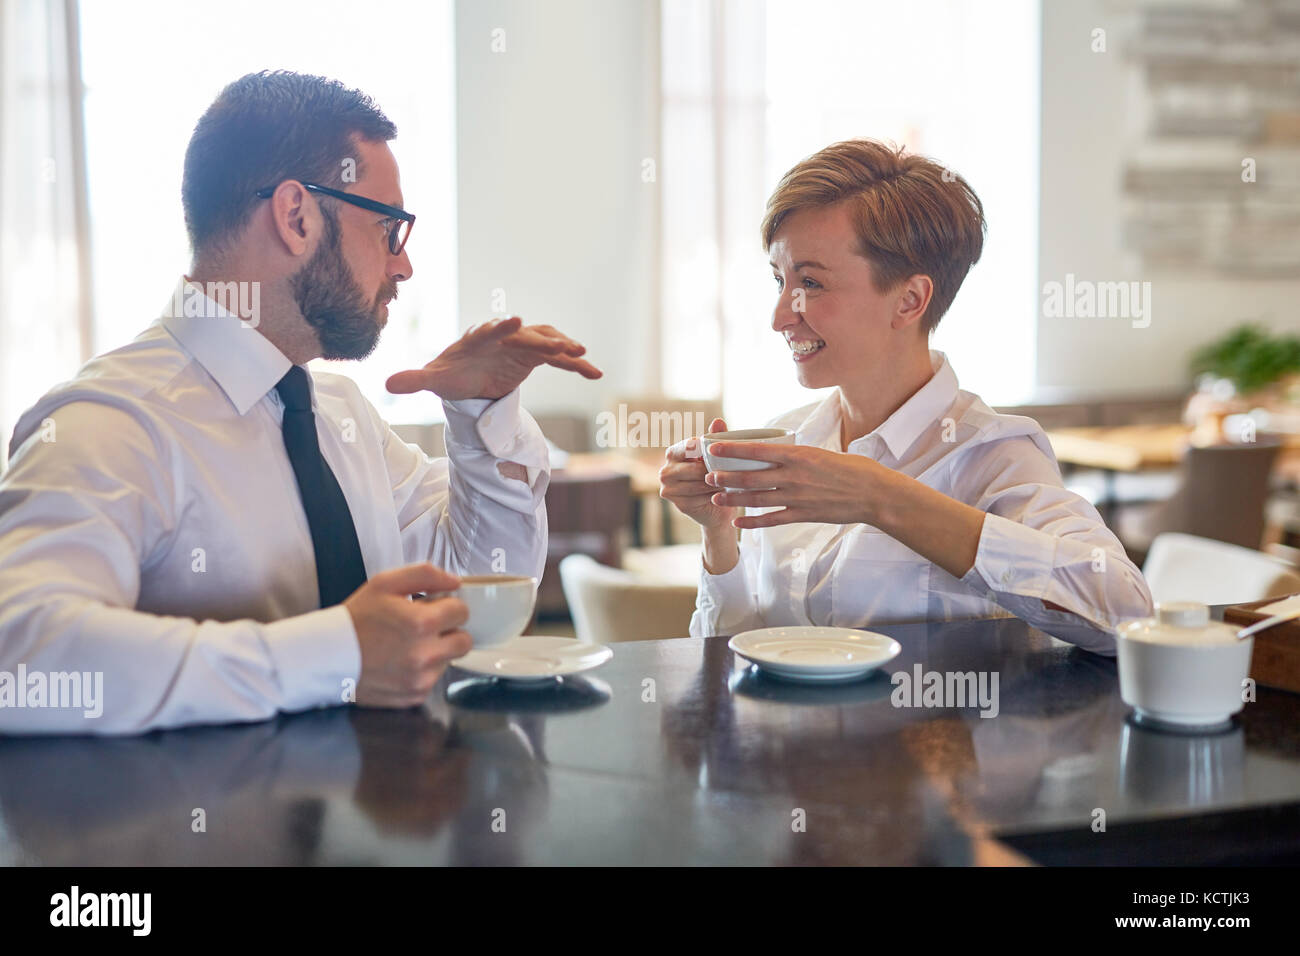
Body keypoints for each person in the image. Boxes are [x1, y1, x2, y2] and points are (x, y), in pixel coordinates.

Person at [0, 71, 601, 734]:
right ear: (296, 216)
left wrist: (481, 411)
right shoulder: (110, 423)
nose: (403, 267)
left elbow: (484, 588)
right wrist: (339, 653)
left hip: (381, 820)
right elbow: (20, 659)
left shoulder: (341, 415)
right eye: (388, 230)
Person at [660, 139, 1151, 654]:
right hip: (792, 736)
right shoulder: (794, 435)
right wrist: (720, 535)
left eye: (810, 283)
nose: (781, 316)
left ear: (910, 299)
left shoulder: (994, 454)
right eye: (780, 280)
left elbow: (1128, 614)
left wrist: (883, 498)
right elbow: (743, 654)